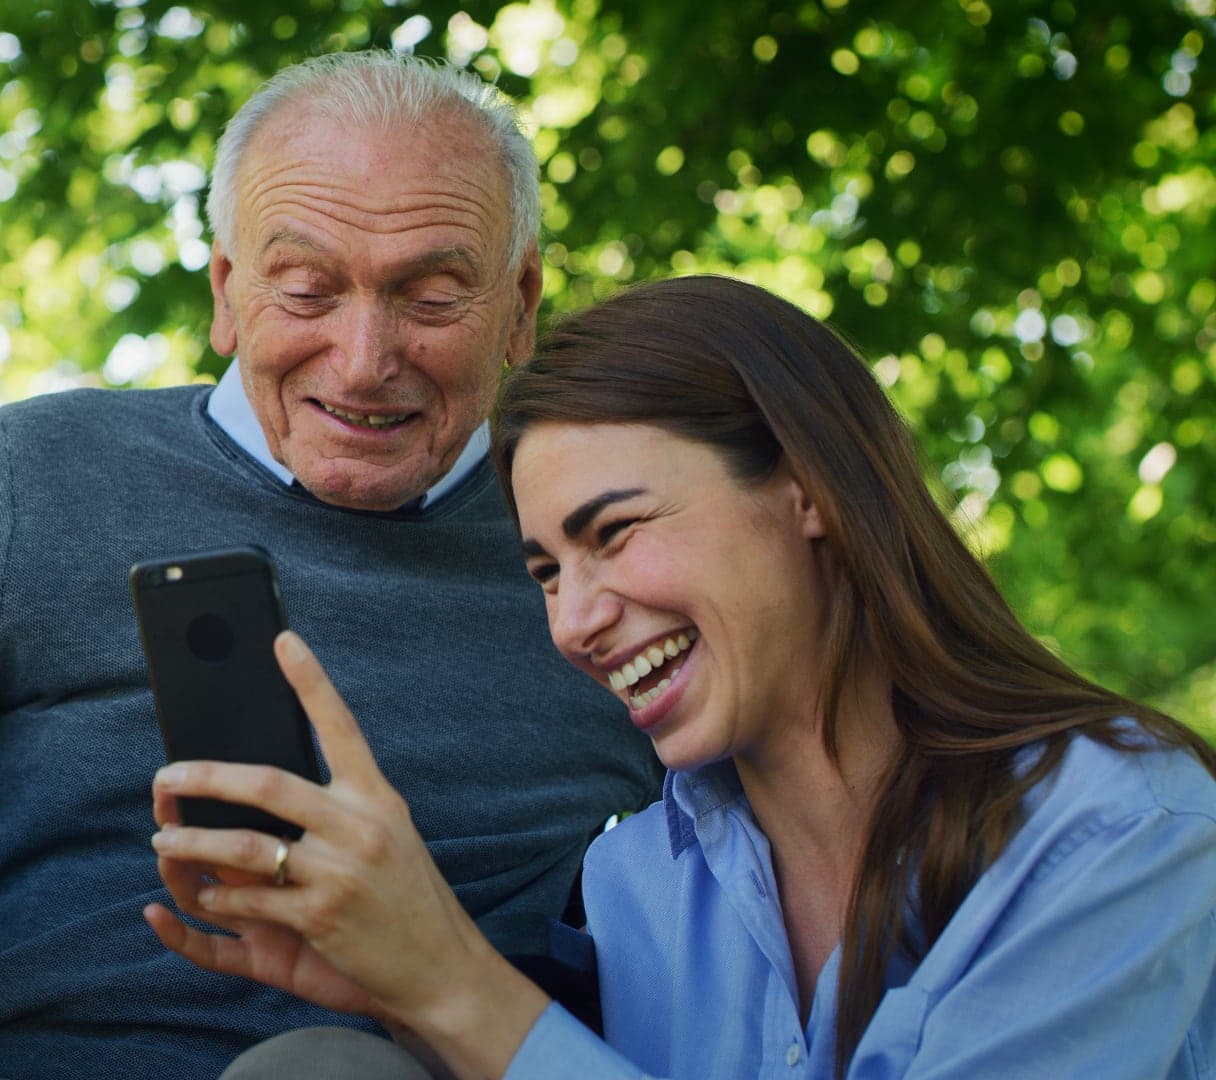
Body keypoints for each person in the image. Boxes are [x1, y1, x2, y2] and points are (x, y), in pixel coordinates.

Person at [0, 52, 661, 1079]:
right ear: (226, 291)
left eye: (431, 298)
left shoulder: (598, 550)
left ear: (521, 304)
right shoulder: (41, 473)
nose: (362, 357)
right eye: (305, 290)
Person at [147, 274, 1216, 1078]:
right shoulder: (639, 885)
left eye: (613, 532)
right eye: (546, 572)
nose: (575, 620)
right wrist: (405, 1001)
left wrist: (454, 982)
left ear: (810, 494)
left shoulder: (1117, 825)